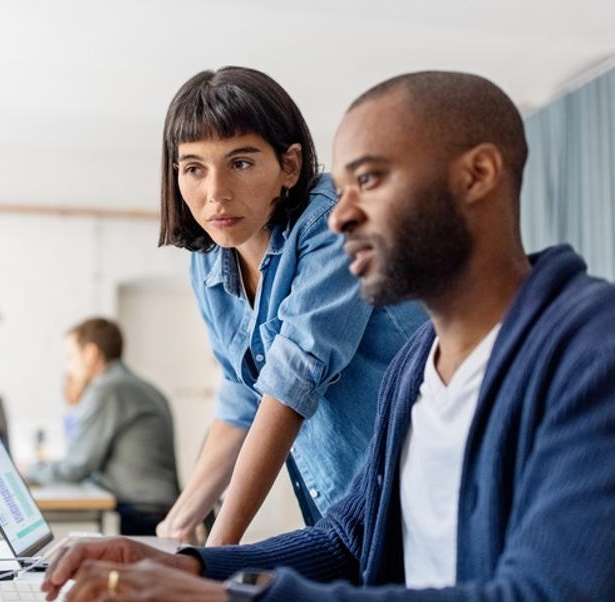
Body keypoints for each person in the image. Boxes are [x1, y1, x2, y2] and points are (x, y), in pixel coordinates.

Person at [41, 71, 615, 602]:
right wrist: (188, 565)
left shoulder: (612, 346)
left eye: (366, 179)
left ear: (476, 175)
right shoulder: (415, 365)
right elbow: (344, 541)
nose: (338, 216)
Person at [155, 66, 427, 545]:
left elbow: (291, 381)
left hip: (421, 497)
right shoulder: (208, 260)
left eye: (240, 163)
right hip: (346, 515)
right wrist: (177, 527)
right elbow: (243, 399)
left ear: (290, 166)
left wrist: (215, 554)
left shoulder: (335, 224)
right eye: (194, 168)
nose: (215, 192)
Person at [30, 318, 179, 535]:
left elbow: (77, 466)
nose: (68, 368)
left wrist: (29, 472)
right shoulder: (136, 385)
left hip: (142, 512)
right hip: (157, 507)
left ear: (91, 353)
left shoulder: (108, 389)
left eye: (70, 357)